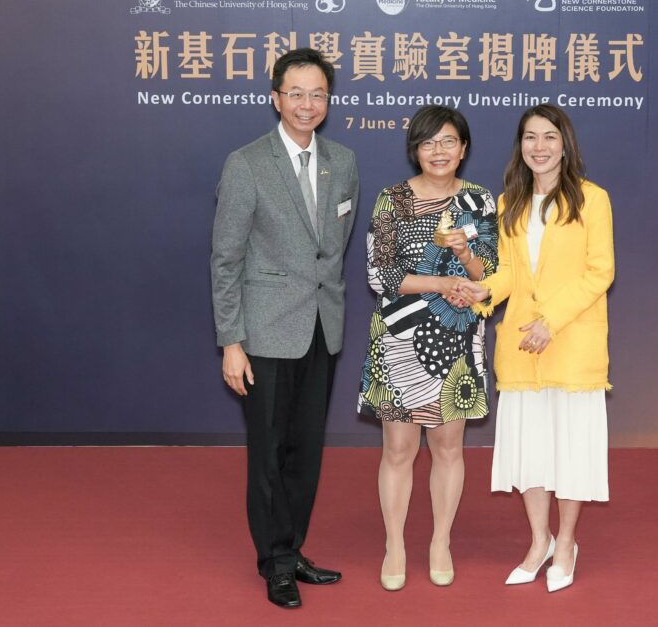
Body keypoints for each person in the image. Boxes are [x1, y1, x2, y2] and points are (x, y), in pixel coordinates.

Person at [210, 48, 359, 609]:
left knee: (307, 452)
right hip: (265, 332)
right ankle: (273, 563)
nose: (307, 104)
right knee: (268, 452)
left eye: (317, 93)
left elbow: (332, 248)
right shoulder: (246, 163)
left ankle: (292, 547)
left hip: (323, 328)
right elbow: (226, 260)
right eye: (295, 93)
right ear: (275, 98)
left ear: (328, 99)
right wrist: (232, 340)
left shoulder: (341, 161)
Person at [459, 104, 614, 593]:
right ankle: (538, 541)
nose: (539, 147)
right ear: (520, 146)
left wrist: (552, 320)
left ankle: (566, 542)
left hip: (571, 345)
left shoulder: (593, 199)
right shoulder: (509, 204)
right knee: (529, 453)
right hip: (522, 348)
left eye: (549, 137)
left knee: (570, 452)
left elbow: (600, 271)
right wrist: (482, 292)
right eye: (530, 137)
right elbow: (508, 273)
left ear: (565, 144)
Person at [358, 105, 498, 591]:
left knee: (447, 447)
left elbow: (489, 274)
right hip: (399, 339)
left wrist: (464, 253)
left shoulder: (480, 201)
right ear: (415, 150)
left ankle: (441, 541)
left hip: (457, 337)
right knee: (397, 448)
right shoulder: (392, 200)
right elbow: (381, 276)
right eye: (428, 143)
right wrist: (443, 280)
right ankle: (394, 544)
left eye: (448, 141)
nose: (439, 152)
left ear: (463, 148)